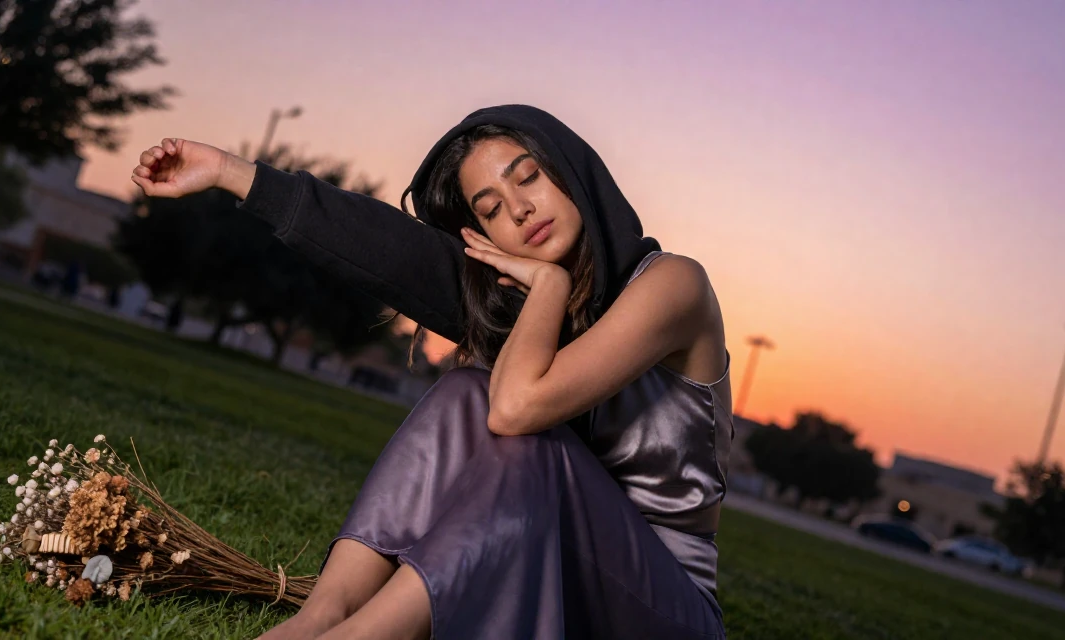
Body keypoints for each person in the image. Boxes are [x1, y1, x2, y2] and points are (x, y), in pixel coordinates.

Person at [131, 105, 732, 640]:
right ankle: (323, 613)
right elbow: (386, 247)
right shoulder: (516, 306)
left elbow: (518, 408)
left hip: (662, 608)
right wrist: (228, 171)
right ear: (484, 234)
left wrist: (548, 286)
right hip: (554, 561)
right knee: (467, 390)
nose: (519, 210)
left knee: (511, 421)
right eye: (492, 210)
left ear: (573, 171)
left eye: (529, 177)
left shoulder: (673, 284)